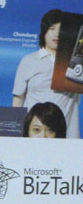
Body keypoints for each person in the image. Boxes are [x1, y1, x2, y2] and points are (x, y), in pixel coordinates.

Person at [13, 9, 81, 139]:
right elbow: (18, 99)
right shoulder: (29, 60)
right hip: (35, 135)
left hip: (66, 136)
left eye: (61, 29)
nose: (57, 34)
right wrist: (16, 133)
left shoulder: (76, 63)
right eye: (52, 28)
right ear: (44, 32)